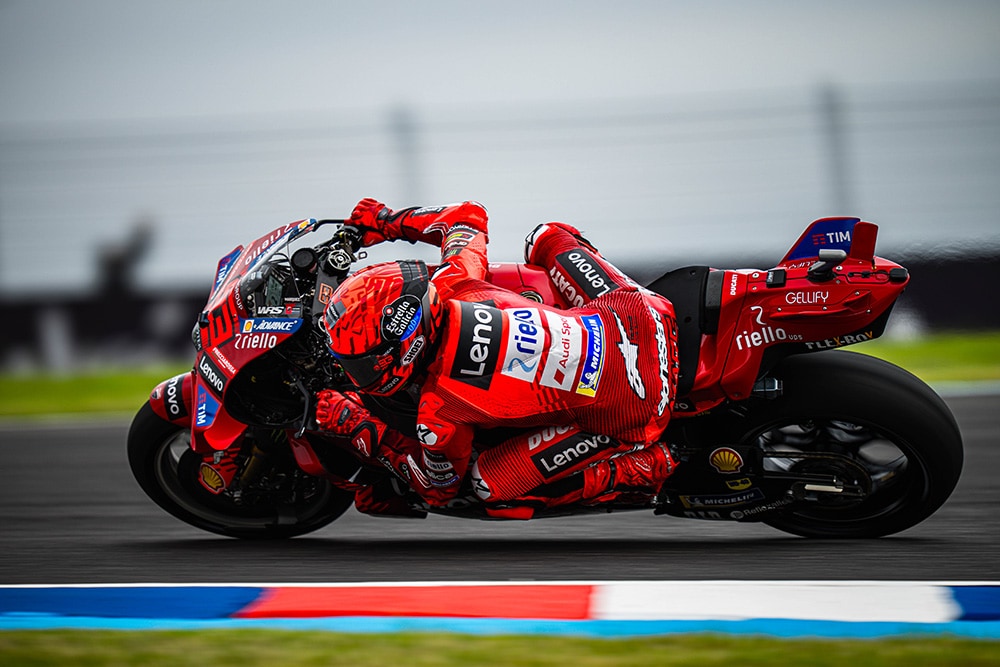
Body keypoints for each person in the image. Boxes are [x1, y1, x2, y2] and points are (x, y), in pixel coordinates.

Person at [314, 198, 680, 518]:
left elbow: (436, 488)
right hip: (639, 312)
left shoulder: (439, 411)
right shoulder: (455, 279)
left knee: (488, 485)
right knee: (546, 235)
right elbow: (467, 215)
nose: (351, 369)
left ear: (405, 346)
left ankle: (647, 465)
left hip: (635, 405)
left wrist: (361, 425)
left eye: (359, 362)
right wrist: (385, 220)